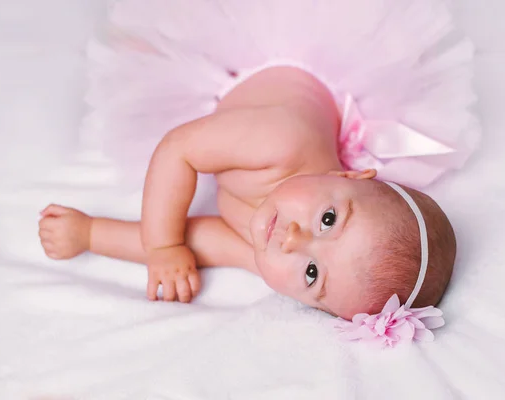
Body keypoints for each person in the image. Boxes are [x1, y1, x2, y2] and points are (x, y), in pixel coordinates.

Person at [38, 66, 457, 320]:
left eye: (312, 274)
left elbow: (196, 244)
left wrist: (91, 234)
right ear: (350, 177)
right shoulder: (280, 145)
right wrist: (162, 245)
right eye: (327, 220)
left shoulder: (270, 259)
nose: (293, 240)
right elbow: (177, 149)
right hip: (271, 71)